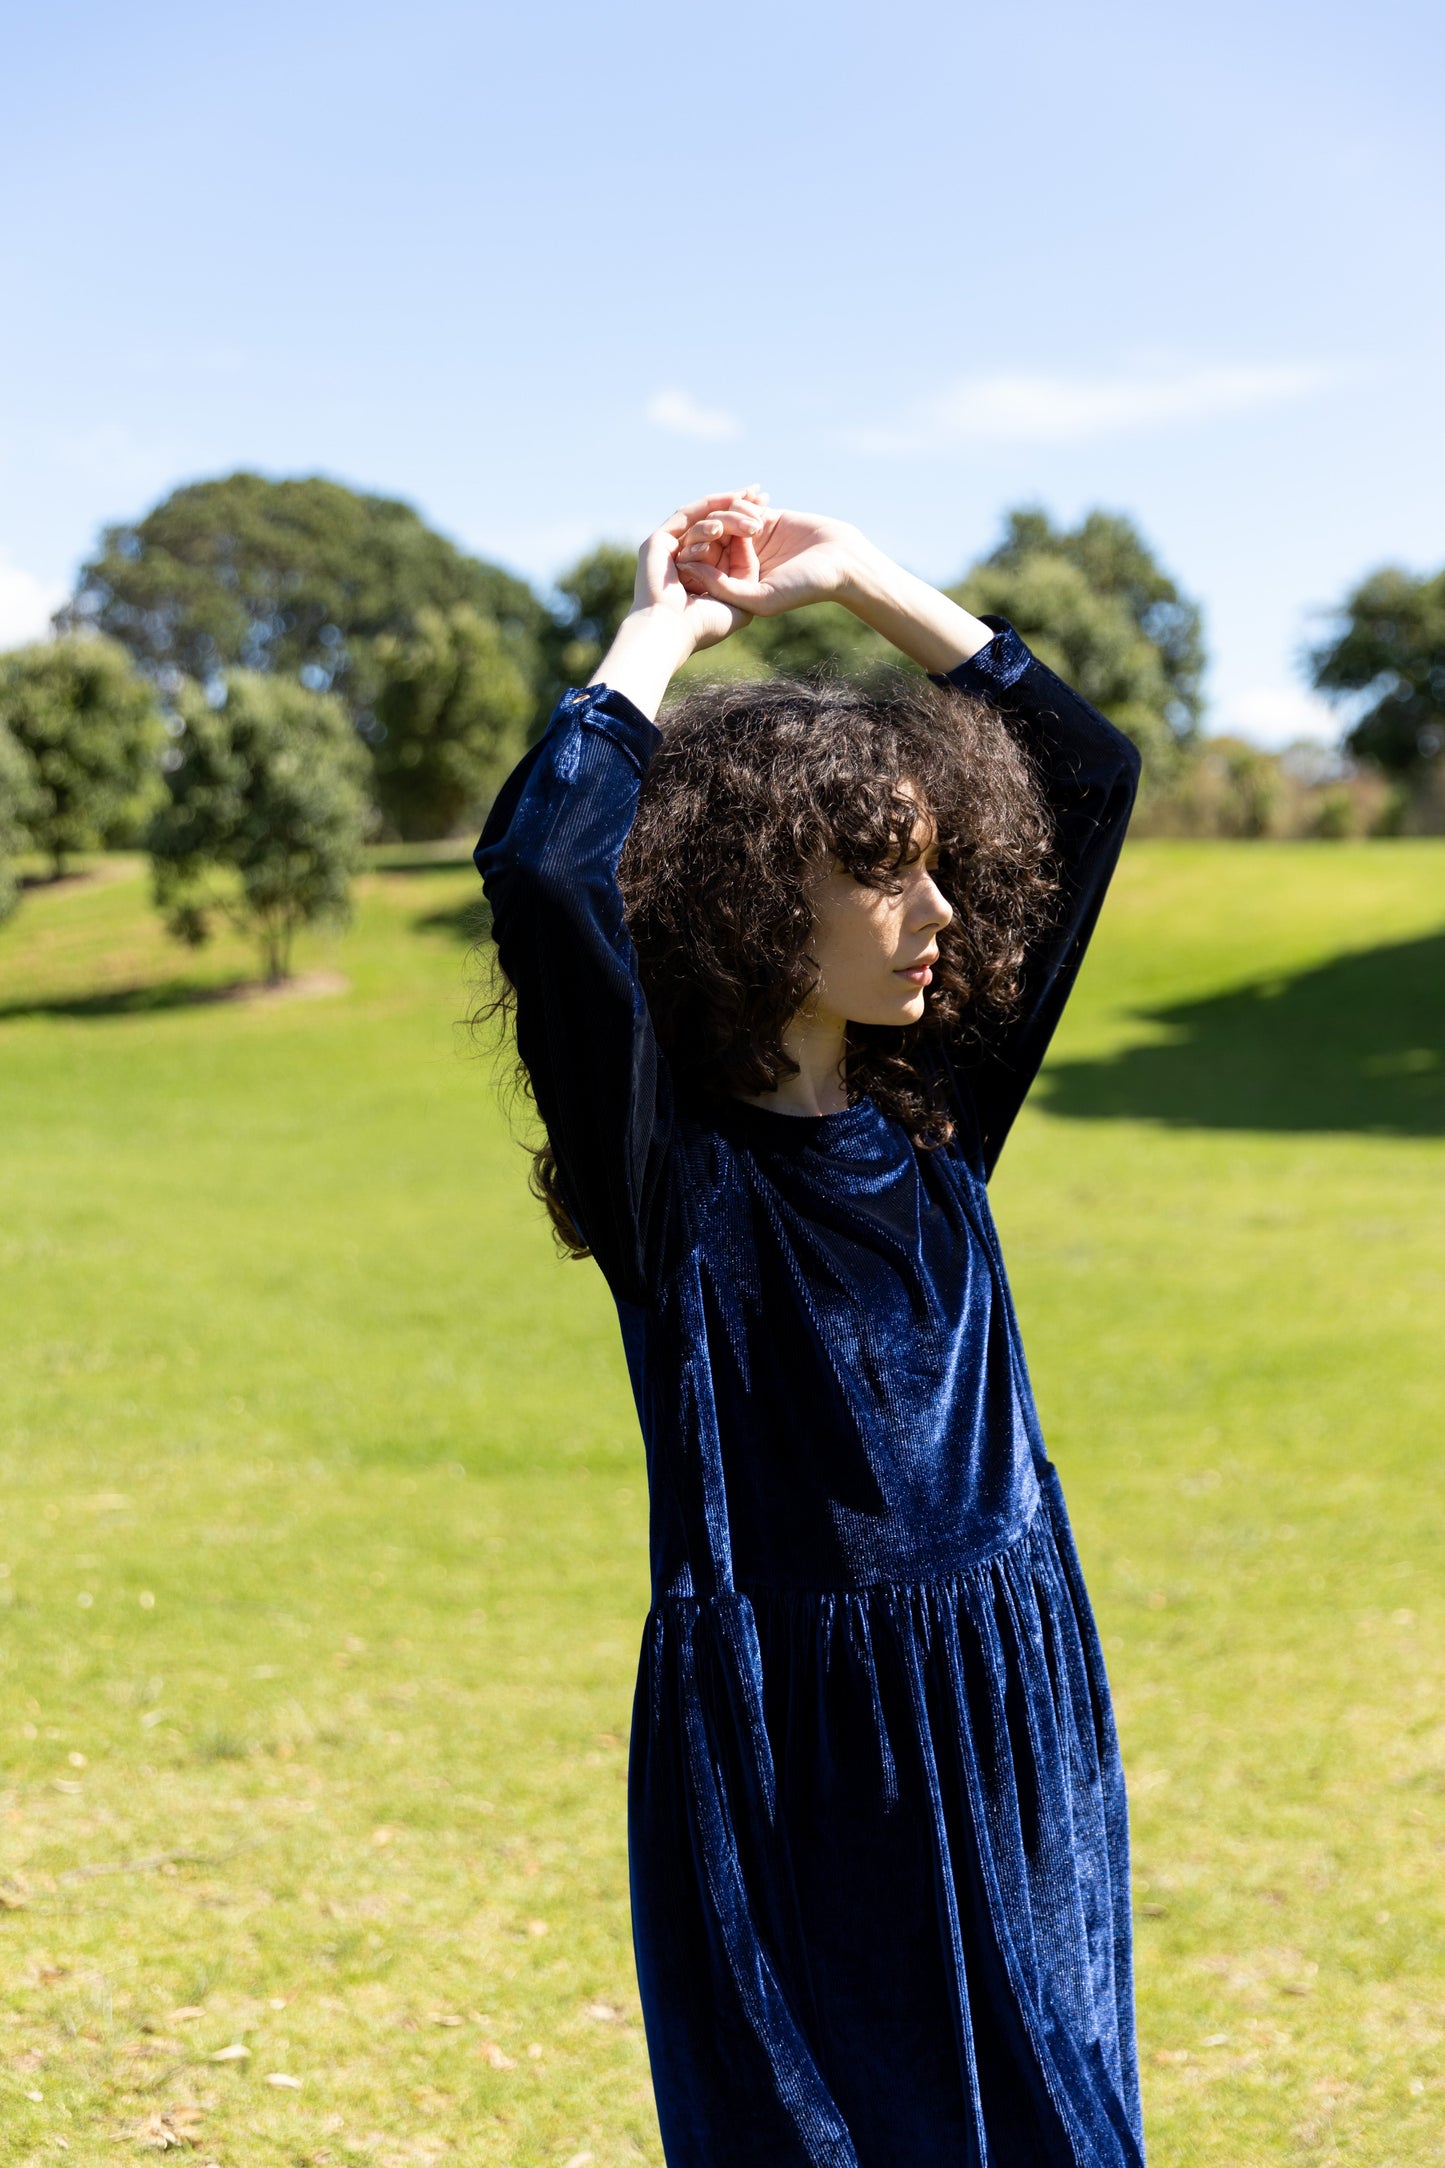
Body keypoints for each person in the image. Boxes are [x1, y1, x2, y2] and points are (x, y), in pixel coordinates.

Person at [475, 489, 1144, 2168]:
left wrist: (853, 580)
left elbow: (1085, 775)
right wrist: (662, 632)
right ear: (763, 898)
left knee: (1051, 2113)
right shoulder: (673, 1172)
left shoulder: (931, 1103)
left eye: (937, 872)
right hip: (799, 1741)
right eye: (885, 881)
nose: (934, 923)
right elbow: (546, 872)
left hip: (1008, 1682)